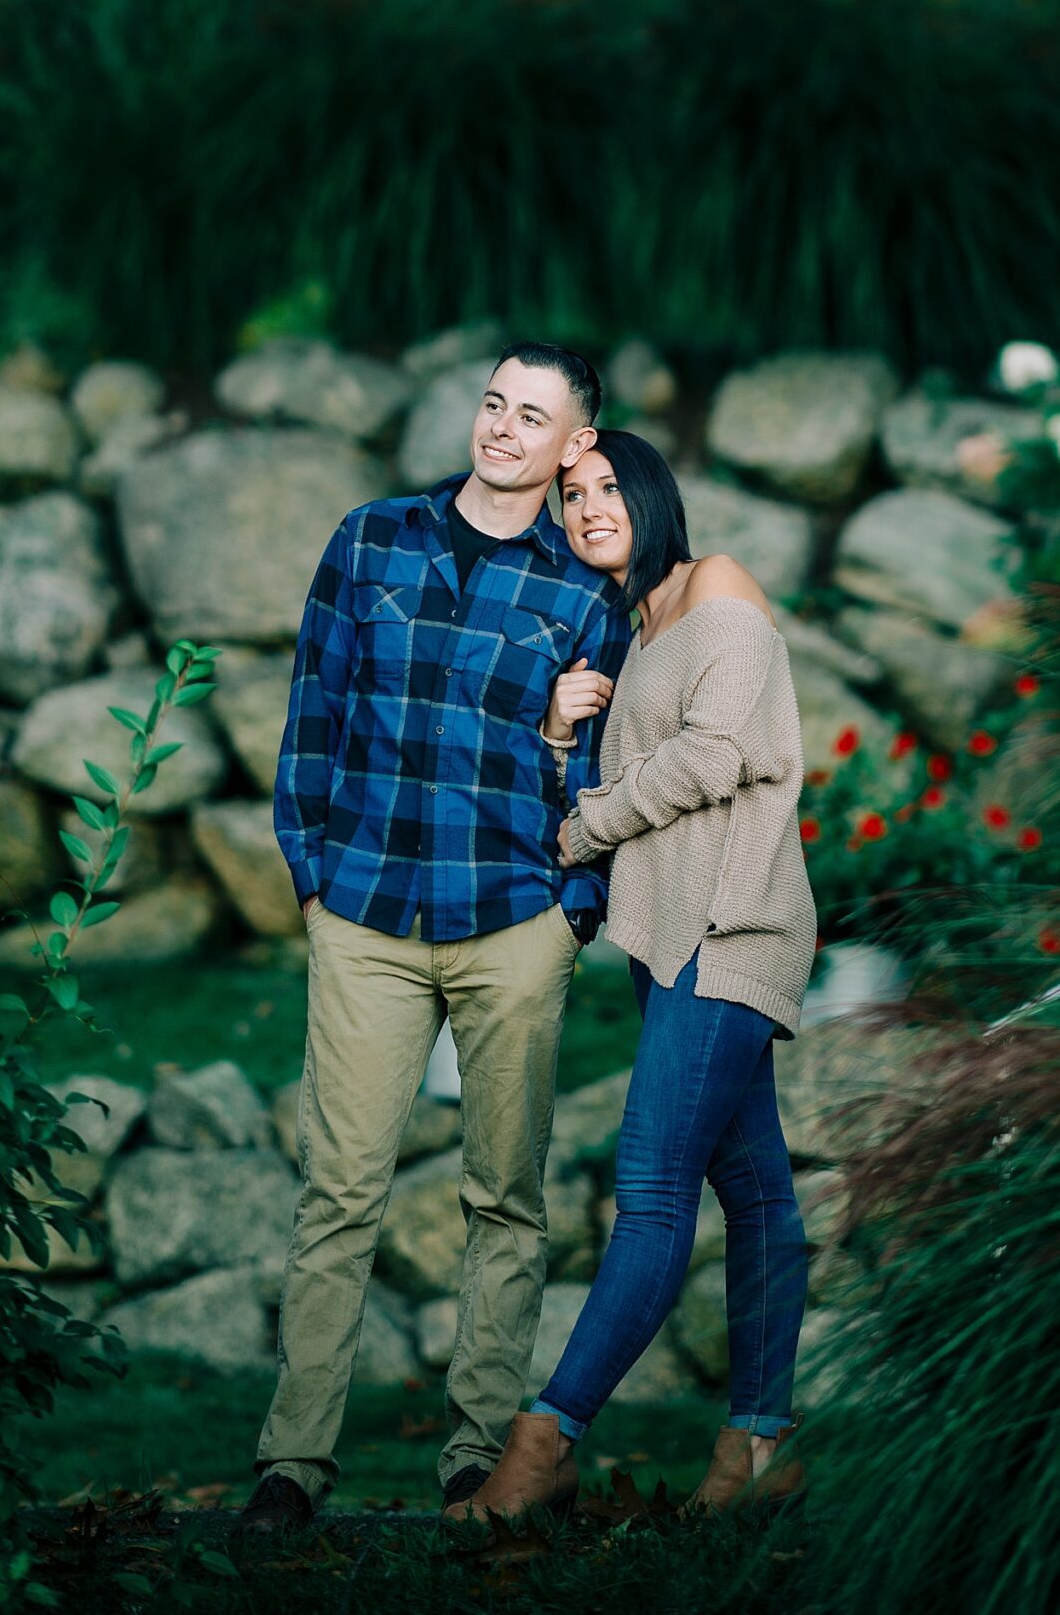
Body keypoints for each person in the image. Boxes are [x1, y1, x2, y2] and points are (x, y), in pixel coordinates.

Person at [241, 345, 635, 1532]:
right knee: (338, 1193)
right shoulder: (370, 539)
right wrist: (310, 877)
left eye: (533, 418)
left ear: (574, 446)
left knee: (503, 1197)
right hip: (363, 913)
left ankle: (475, 1458)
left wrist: (570, 915)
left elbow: (602, 772)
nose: (501, 430)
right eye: (492, 404)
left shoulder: (583, 591)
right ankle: (291, 1466)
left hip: (512, 921)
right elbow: (311, 714)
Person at [446, 428, 818, 1529]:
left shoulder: (716, 585)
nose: (588, 505)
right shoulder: (627, 627)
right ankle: (759, 1443)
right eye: (571, 495)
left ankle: (545, 1436)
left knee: (650, 1191)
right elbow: (608, 794)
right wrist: (565, 740)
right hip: (673, 939)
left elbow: (711, 755)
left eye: (608, 486)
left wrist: (578, 824)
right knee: (755, 1199)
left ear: (651, 496)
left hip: (734, 924)